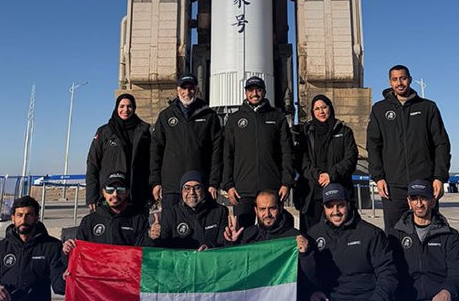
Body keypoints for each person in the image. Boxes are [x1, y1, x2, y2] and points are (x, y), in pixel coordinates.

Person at [306, 183, 399, 301]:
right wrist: (313, 291)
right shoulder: (314, 235)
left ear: (348, 204)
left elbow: (387, 273)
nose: (335, 211)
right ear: (324, 208)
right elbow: (308, 272)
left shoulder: (371, 234)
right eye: (330, 206)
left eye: (340, 205)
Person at [367, 64, 451, 231]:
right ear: (390, 82)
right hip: (393, 186)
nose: (399, 83)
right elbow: (373, 145)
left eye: (403, 78)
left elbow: (441, 144)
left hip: (424, 183)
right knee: (394, 234)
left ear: (410, 79)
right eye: (395, 79)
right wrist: (378, 177)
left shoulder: (428, 107)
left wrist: (439, 177)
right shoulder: (379, 109)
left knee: (429, 231)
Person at [222, 76, 294, 229]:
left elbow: (287, 152)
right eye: (250, 90)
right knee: (243, 233)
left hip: (271, 188)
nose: (254, 93)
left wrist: (286, 182)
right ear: (245, 93)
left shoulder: (277, 117)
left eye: (258, 90)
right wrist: (228, 185)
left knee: (273, 232)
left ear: (264, 92)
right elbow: (227, 155)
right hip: (243, 190)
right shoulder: (234, 119)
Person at [149, 74, 222, 206]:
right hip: (172, 187)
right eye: (183, 88)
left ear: (197, 89)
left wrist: (214, 182)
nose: (187, 92)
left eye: (191, 88)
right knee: (171, 219)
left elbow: (217, 152)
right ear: (177, 90)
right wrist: (155, 182)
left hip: (199, 187)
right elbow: (156, 151)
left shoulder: (209, 116)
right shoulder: (166, 116)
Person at [295, 94, 358, 232]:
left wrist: (331, 175)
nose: (321, 111)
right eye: (317, 109)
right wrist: (317, 175)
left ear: (330, 108)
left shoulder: (344, 132)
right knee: (311, 235)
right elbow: (301, 160)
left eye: (324, 107)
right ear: (312, 112)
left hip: (338, 192)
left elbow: (351, 158)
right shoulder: (306, 133)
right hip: (312, 195)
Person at [85, 93, 151, 211]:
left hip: (136, 193)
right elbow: (92, 164)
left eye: (129, 106)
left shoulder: (143, 131)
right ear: (116, 108)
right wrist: (91, 195)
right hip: (110, 194)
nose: (125, 110)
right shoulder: (104, 132)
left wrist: (150, 192)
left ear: (134, 108)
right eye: (122, 106)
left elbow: (150, 164)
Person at [63, 171, 148, 249]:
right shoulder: (89, 221)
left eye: (120, 190)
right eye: (110, 190)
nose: (115, 194)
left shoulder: (139, 220)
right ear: (103, 192)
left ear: (127, 193)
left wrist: (151, 237)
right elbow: (78, 254)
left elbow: (145, 254)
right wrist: (68, 250)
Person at [148, 170, 228, 250]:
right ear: (181, 191)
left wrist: (212, 245)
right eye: (187, 188)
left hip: (209, 257)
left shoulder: (219, 212)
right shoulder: (171, 214)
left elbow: (223, 245)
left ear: (204, 189)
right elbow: (163, 247)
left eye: (197, 188)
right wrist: (153, 238)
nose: (192, 192)